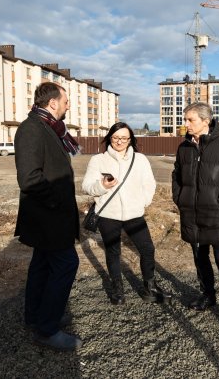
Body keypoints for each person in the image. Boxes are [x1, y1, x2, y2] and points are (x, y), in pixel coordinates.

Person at [14, 82, 83, 351]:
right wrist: (56, 202)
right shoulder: (31, 129)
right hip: (48, 217)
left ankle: (37, 317)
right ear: (53, 103)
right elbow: (29, 178)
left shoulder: (48, 127)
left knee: (42, 266)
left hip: (50, 217)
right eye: (65, 101)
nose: (68, 105)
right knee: (67, 264)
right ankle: (47, 329)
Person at [171, 102, 219, 333]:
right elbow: (176, 175)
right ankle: (208, 295)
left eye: (190, 120)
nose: (186, 124)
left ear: (206, 121)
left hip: (218, 216)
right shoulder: (184, 147)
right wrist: (180, 197)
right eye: (185, 119)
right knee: (200, 258)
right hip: (192, 215)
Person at [82, 122, 171, 305]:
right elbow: (87, 186)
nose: (119, 141)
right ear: (109, 138)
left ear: (130, 140)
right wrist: (102, 185)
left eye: (124, 138)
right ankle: (118, 289)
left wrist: (143, 202)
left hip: (134, 214)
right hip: (108, 214)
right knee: (113, 252)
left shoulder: (140, 159)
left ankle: (150, 288)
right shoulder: (98, 160)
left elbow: (149, 184)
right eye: (115, 137)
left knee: (147, 249)